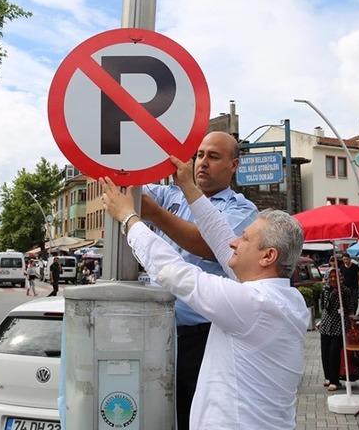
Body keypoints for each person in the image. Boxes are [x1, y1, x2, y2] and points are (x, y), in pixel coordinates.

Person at [100, 155, 306, 430]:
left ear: (268, 256)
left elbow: (175, 273)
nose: (235, 243)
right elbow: (220, 237)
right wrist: (188, 185)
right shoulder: (284, 298)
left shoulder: (254, 304)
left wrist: (128, 218)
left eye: (245, 239)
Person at [140, 131, 258, 430]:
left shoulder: (242, 210)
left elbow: (210, 244)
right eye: (200, 155)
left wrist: (154, 214)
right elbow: (130, 190)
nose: (203, 162)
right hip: (154, 331)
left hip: (202, 336)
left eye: (214, 157)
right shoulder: (172, 195)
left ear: (234, 165)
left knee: (193, 415)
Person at [318, 268, 356, 392]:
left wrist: (351, 321)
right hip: (326, 324)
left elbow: (350, 306)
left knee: (334, 352)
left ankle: (335, 381)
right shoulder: (325, 289)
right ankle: (328, 377)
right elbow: (324, 307)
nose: (334, 279)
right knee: (325, 352)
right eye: (331, 277)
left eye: (336, 276)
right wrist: (331, 294)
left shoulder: (345, 290)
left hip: (339, 324)